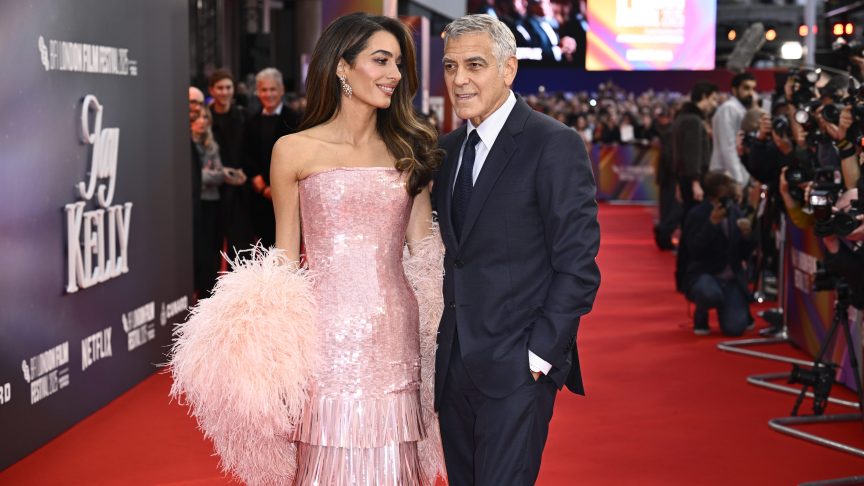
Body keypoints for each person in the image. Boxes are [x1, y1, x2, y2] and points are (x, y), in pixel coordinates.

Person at [171, 12, 447, 486]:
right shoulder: (293, 150)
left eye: (398, 63)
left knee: (393, 455)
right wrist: (240, 333)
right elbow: (283, 256)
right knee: (326, 457)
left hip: (397, 330)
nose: (395, 75)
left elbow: (426, 253)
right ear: (342, 66)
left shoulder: (410, 149)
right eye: (381, 60)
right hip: (324, 333)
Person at [433, 14, 600, 485]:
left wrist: (539, 356)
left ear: (508, 69)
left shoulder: (553, 144)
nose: (459, 79)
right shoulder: (446, 153)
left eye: (474, 65)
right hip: (453, 368)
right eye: (450, 66)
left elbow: (578, 265)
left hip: (517, 367)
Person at [681, 171, 754, 336]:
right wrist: (711, 224)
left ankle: (736, 306)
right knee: (709, 294)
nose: (730, 188)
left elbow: (746, 252)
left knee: (735, 329)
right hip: (705, 275)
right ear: (715, 191)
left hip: (731, 278)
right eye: (725, 184)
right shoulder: (697, 214)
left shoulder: (734, 211)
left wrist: (748, 235)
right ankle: (701, 312)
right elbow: (694, 250)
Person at [243, 67, 301, 247]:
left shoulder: (296, 120)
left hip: (290, 197)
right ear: (258, 92)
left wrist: (279, 188)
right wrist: (261, 186)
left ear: (282, 90)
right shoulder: (251, 122)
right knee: (264, 248)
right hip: (260, 197)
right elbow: (247, 154)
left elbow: (298, 155)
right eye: (264, 90)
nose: (268, 94)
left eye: (273, 89)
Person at [208, 69, 254, 257]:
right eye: (220, 88)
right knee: (211, 246)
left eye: (228, 87)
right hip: (213, 190)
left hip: (240, 190)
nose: (224, 92)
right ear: (211, 90)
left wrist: (246, 173)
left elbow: (251, 150)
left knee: (242, 247)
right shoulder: (205, 118)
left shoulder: (243, 116)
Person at [710, 72, 756, 187]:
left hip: (737, 174)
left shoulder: (740, 109)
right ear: (734, 90)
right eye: (746, 88)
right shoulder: (729, 109)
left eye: (752, 88)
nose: (750, 93)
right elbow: (728, 146)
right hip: (726, 175)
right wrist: (737, 179)